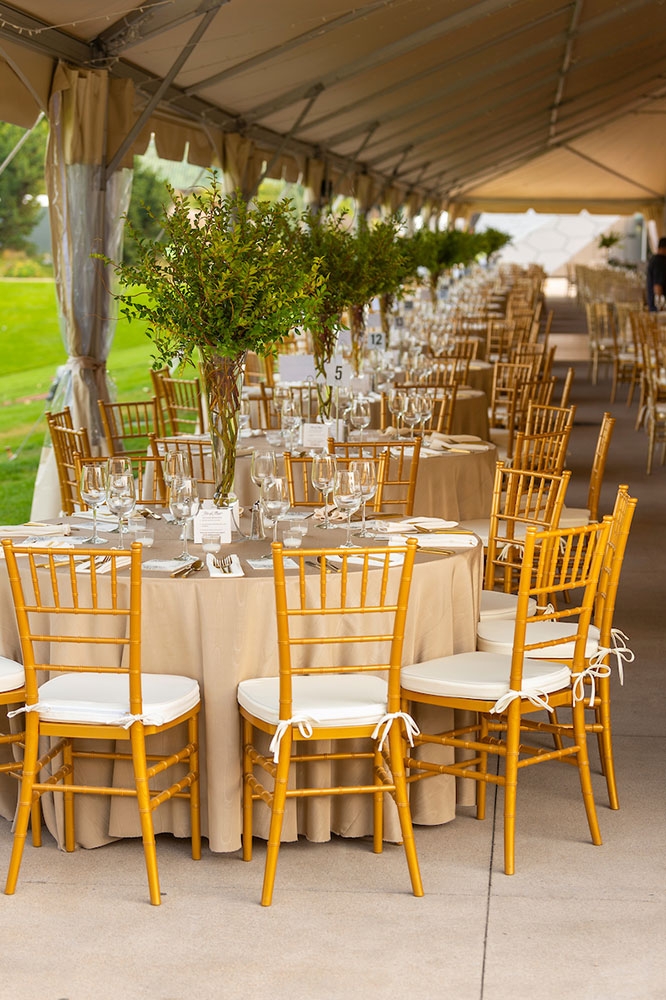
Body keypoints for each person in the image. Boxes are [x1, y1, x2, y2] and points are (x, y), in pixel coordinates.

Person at [647, 237, 666, 312]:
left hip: (653, 307)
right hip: (658, 310)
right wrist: (661, 307)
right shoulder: (660, 262)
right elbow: (657, 287)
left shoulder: (654, 259)